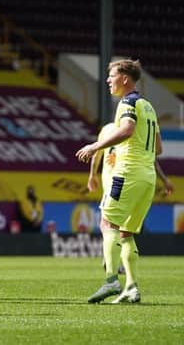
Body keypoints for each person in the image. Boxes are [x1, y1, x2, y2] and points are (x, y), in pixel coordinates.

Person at [76, 59, 163, 304]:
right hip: (147, 178)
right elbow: (158, 147)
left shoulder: (127, 102)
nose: (108, 80)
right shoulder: (148, 106)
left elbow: (126, 130)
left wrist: (95, 146)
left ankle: (111, 280)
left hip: (128, 174)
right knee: (126, 233)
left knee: (107, 223)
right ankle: (132, 287)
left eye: (112, 75)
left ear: (125, 78)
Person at [88, 122, 174, 273]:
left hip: (115, 182)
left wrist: (92, 175)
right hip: (125, 181)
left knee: (108, 223)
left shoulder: (108, 129)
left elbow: (97, 154)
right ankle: (115, 261)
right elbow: (151, 157)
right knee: (120, 227)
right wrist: (164, 180)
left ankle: (111, 259)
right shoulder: (134, 130)